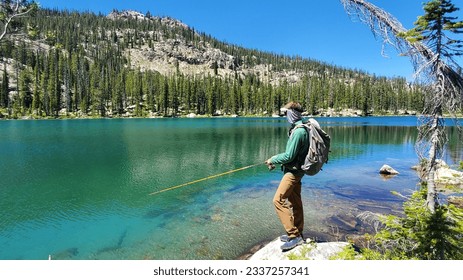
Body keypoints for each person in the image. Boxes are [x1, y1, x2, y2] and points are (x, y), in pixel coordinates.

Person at [265, 101, 309, 251]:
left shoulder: (299, 132)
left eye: (286, 113)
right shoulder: (299, 128)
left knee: (278, 200)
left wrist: (273, 159)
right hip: (297, 171)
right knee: (295, 201)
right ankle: (299, 233)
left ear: (292, 113)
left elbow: (289, 156)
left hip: (293, 172)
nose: (285, 116)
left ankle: (293, 236)